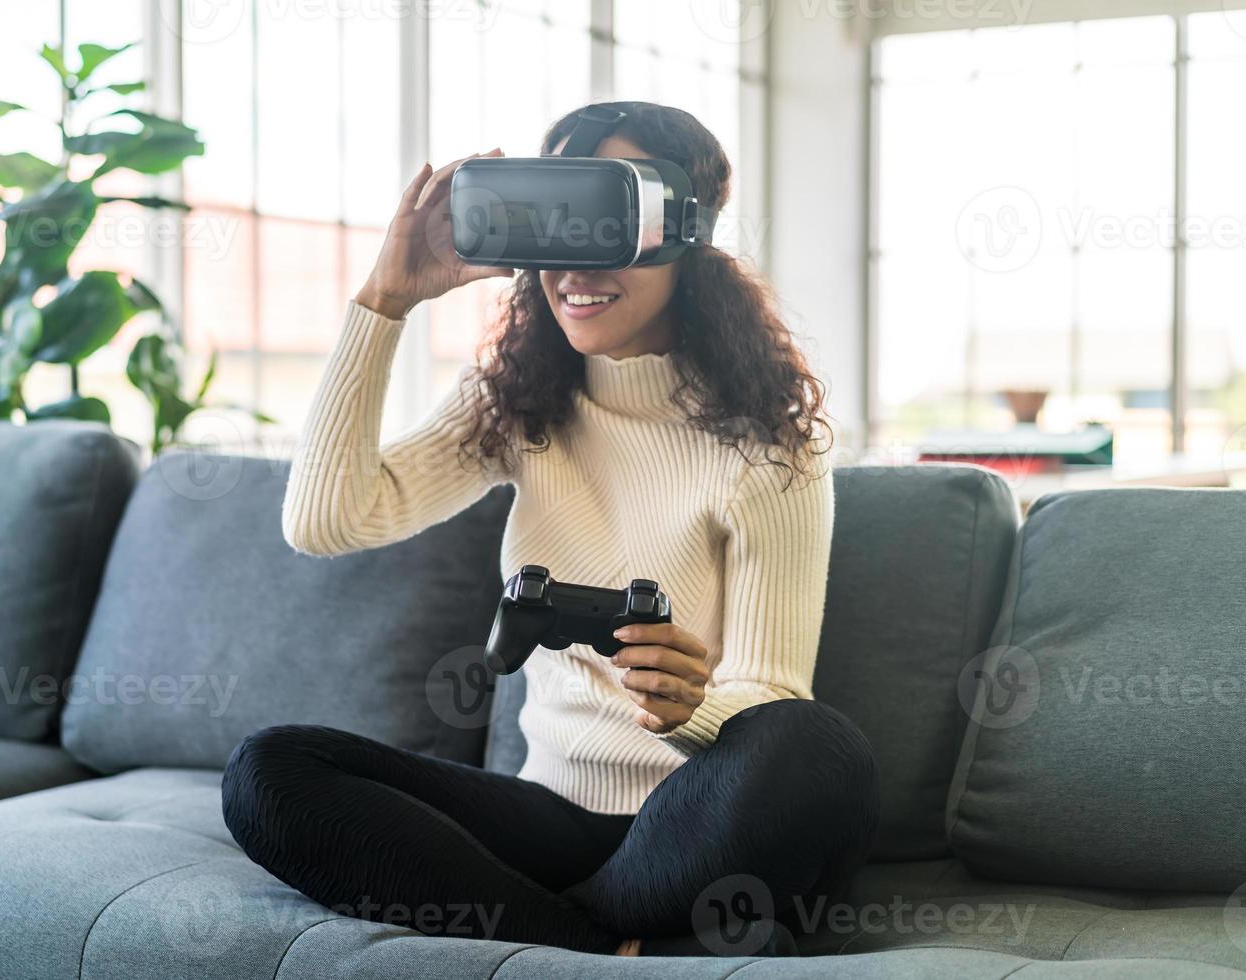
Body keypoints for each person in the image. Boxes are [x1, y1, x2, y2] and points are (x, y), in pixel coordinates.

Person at [221, 101, 879, 958]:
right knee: (271, 772)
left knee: (813, 744)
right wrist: (385, 301)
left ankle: (561, 932)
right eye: (557, 229)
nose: (575, 267)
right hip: (550, 818)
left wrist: (687, 707)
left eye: (608, 223)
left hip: (692, 822)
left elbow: (772, 693)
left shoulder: (766, 449)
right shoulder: (521, 405)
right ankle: (597, 942)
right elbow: (326, 520)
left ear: (685, 232)